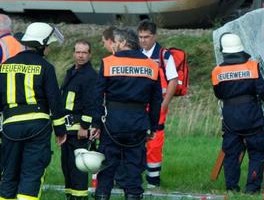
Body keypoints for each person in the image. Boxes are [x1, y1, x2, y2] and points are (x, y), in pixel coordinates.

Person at [92, 28, 162, 200]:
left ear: (123, 43)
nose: (114, 44)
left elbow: (97, 96)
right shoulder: (152, 65)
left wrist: (96, 124)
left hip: (112, 122)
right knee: (133, 167)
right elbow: (156, 101)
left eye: (116, 41)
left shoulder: (108, 62)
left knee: (107, 166)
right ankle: (132, 195)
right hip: (138, 122)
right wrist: (152, 127)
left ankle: (102, 195)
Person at [0, 22, 67, 200]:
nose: (49, 50)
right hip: (37, 127)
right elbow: (55, 101)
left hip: (10, 127)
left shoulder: (5, 66)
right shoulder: (46, 67)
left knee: (9, 173)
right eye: (48, 46)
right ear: (42, 45)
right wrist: (60, 131)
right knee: (32, 172)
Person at [211, 33, 264, 193]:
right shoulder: (252, 66)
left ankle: (231, 188)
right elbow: (262, 90)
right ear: (240, 49)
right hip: (252, 116)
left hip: (231, 118)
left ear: (224, 51)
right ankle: (252, 189)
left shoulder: (217, 71)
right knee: (257, 152)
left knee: (231, 154)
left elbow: (219, 94)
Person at [136, 20, 177, 188]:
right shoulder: (136, 53)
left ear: (154, 36)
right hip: (138, 105)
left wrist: (164, 104)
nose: (143, 40)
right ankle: (134, 176)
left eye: (147, 37)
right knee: (136, 140)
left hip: (158, 106)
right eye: (140, 37)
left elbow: (173, 80)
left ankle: (153, 181)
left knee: (154, 142)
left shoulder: (164, 55)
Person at [60, 40, 98, 200]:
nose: (80, 55)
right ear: (73, 53)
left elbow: (91, 103)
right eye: (78, 52)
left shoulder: (90, 76)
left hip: (79, 130)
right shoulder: (71, 72)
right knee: (67, 166)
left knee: (78, 169)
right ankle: (71, 196)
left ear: (90, 55)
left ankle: (80, 197)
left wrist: (84, 126)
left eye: (84, 52)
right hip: (68, 128)